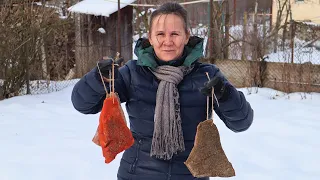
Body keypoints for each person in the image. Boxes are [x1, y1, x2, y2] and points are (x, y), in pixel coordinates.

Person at [71, 2, 253, 180]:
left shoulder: (206, 75)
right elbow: (82, 104)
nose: (168, 41)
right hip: (137, 173)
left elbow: (241, 123)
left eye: (175, 33)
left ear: (186, 36)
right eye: (160, 34)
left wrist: (226, 94)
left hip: (190, 174)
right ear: (150, 38)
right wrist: (97, 79)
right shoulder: (133, 73)